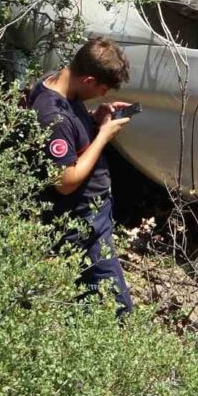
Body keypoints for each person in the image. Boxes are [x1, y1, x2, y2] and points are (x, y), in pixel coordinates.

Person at [25, 37, 136, 316]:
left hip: (93, 215)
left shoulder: (58, 85)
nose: (103, 94)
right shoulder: (53, 116)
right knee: (116, 308)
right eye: (102, 88)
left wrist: (92, 118)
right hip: (81, 220)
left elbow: (71, 133)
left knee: (91, 299)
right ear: (87, 78)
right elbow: (64, 181)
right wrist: (103, 136)